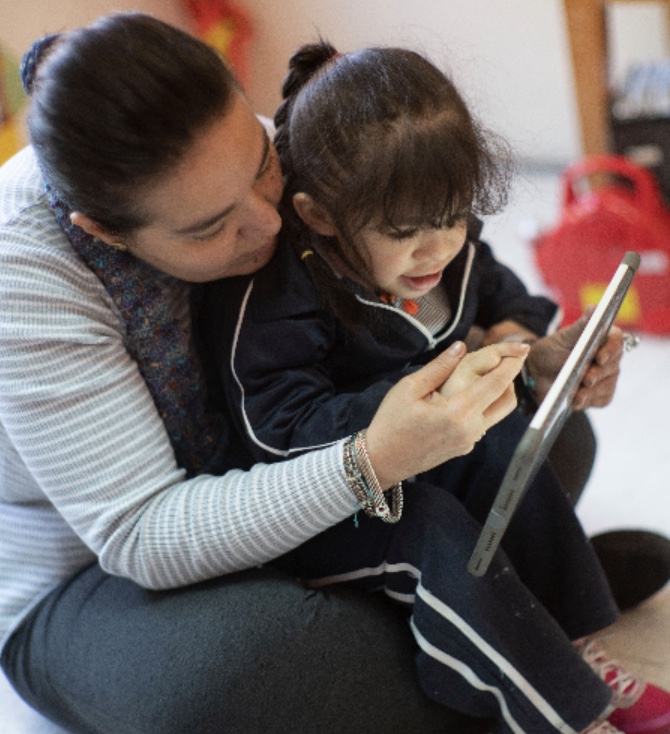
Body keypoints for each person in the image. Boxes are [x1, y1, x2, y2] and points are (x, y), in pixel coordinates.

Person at [0, 13, 541, 734]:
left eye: (263, 165)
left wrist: (514, 344)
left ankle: (505, 627)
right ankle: (514, 629)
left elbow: (418, 258)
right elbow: (140, 535)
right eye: (209, 228)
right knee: (253, 660)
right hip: (94, 581)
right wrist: (371, 460)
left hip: (281, 466)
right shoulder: (19, 278)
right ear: (105, 232)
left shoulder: (233, 146)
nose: (269, 221)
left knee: (530, 439)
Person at [197, 42, 670, 734]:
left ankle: (562, 634)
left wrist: (534, 354)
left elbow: (501, 292)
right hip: (329, 502)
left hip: (430, 455)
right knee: (441, 528)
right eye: (405, 233)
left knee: (520, 437)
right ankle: (560, 700)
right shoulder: (281, 294)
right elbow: (278, 426)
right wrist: (407, 411)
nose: (437, 250)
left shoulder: (445, 232)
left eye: (452, 218)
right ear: (321, 216)